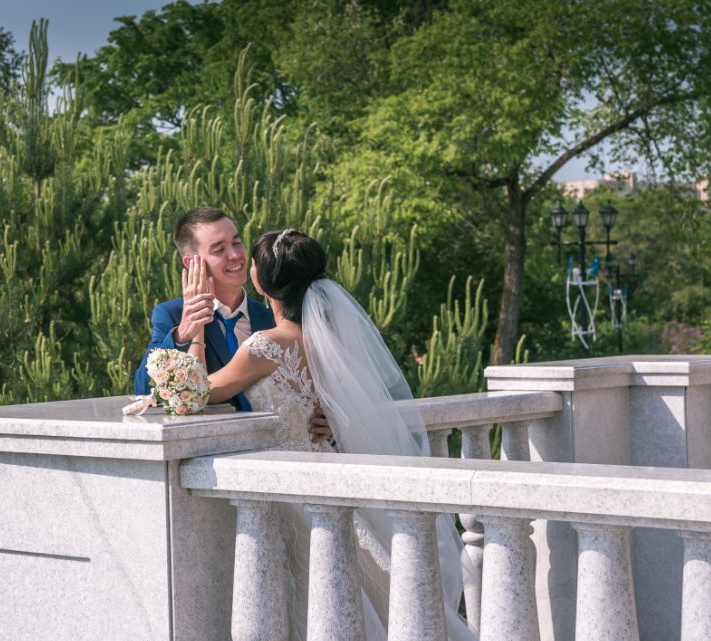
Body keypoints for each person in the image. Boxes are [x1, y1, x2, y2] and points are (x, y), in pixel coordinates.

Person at [183, 228, 476, 641]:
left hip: (290, 491)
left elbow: (195, 392)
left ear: (262, 282)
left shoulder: (265, 346)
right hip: (326, 475)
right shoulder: (328, 340)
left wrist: (195, 333)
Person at [133, 207, 332, 442]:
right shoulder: (172, 315)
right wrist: (183, 334)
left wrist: (332, 419)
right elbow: (144, 390)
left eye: (237, 242)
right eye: (219, 249)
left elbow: (330, 385)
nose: (235, 255)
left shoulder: (276, 319)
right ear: (192, 262)